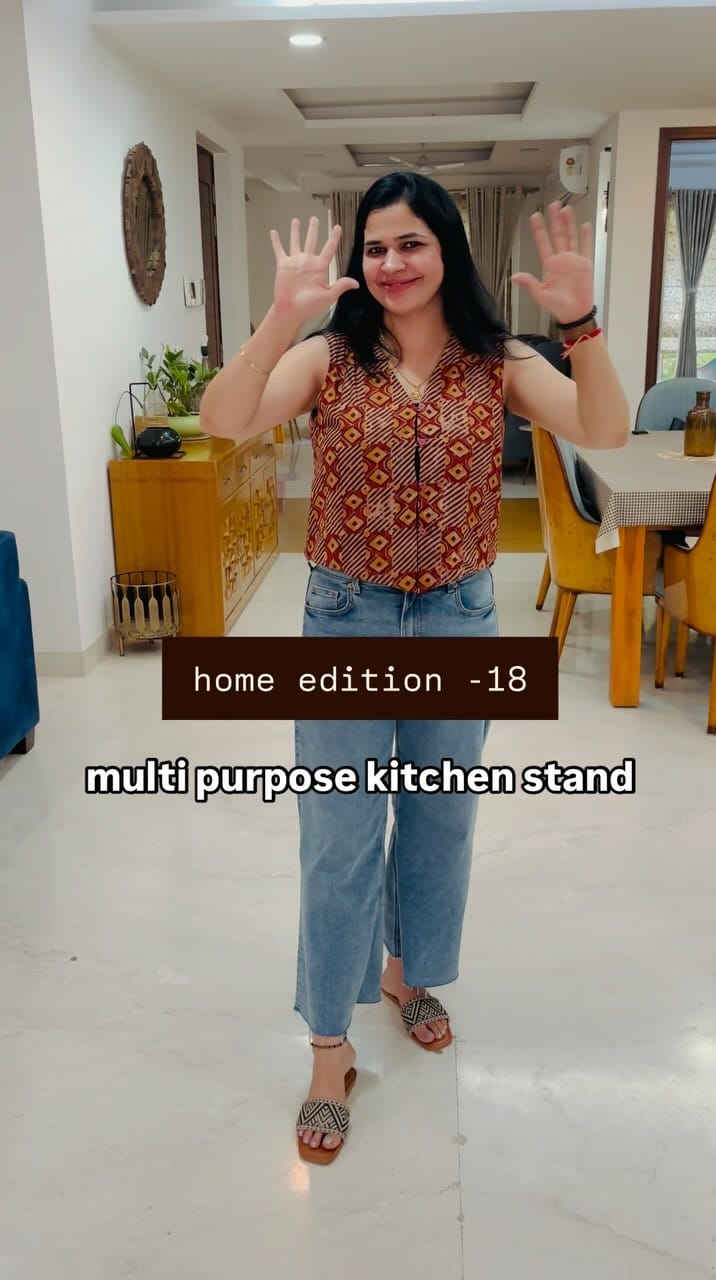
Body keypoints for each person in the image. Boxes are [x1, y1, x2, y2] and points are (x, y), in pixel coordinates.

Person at [200, 173, 629, 1166]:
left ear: (446, 251)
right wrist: (280, 316)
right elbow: (224, 419)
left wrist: (583, 326)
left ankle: (406, 972)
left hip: (457, 618)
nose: (392, 263)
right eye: (377, 246)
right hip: (346, 618)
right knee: (337, 836)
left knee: (440, 820)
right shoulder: (329, 357)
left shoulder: (499, 359)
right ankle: (329, 1048)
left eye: (412, 244)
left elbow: (604, 430)